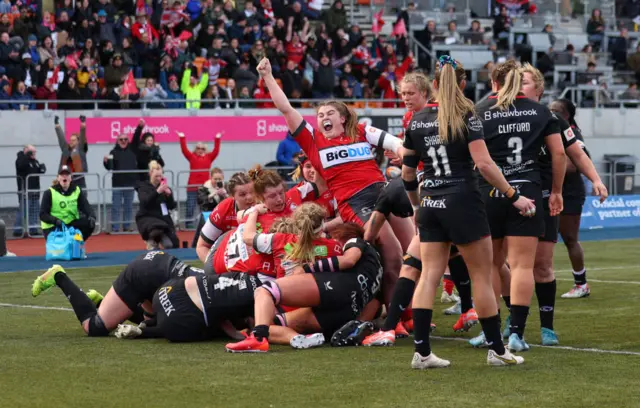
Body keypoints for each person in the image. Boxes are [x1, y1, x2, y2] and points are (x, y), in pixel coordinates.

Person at [394, 56, 533, 368]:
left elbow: (406, 174)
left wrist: (418, 206)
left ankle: (422, 352)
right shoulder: (466, 113)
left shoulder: (416, 120)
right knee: (482, 274)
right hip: (462, 201)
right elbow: (484, 164)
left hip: (430, 201)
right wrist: (514, 196)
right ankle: (497, 350)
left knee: (428, 275)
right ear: (459, 83)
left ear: (432, 83)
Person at [255, 57, 405, 308]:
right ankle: (395, 320)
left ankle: (409, 312)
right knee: (392, 255)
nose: (324, 117)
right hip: (355, 202)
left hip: (383, 191)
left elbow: (393, 143)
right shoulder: (313, 141)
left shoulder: (360, 131)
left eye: (330, 113)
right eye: (320, 115)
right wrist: (268, 77)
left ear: (343, 118)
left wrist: (404, 153)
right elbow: (287, 109)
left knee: (411, 251)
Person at [474, 60, 566, 353]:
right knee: (523, 265)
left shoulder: (480, 110)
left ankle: (492, 330)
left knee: (491, 264)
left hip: (489, 192)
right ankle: (516, 333)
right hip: (527, 191)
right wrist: (556, 192)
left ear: (496, 82)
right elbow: (559, 154)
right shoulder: (542, 111)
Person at [225, 222, 383, 353]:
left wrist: (307, 268)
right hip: (349, 310)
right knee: (270, 324)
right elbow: (375, 302)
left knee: (265, 291)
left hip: (339, 289)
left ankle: (257, 339)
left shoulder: (355, 241)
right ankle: (295, 338)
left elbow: (348, 260)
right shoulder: (377, 264)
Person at [30, 251, 205, 337]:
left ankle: (102, 303)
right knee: (94, 327)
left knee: (154, 320)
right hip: (145, 274)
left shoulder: (221, 285)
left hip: (160, 265)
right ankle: (58, 276)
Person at [116, 271, 261, 342]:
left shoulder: (246, 273)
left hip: (166, 290)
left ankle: (148, 321)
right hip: (178, 317)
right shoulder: (258, 298)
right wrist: (238, 336)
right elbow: (225, 323)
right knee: (210, 330)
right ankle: (146, 330)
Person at [209, 166, 294, 278]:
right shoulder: (253, 212)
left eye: (281, 193)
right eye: (272, 196)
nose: (279, 199)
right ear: (261, 197)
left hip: (229, 252)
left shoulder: (288, 200)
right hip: (221, 264)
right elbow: (247, 236)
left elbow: (240, 216)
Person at [196, 172, 256, 262]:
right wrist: (214, 267)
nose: (249, 197)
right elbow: (201, 246)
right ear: (232, 196)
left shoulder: (265, 203)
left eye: (252, 192)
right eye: (242, 194)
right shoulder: (223, 210)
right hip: (230, 264)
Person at [178, 131, 221, 229]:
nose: (200, 150)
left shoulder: (209, 157)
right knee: (190, 207)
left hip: (204, 188)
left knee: (204, 207)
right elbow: (184, 150)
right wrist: (182, 138)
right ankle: (188, 224)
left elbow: (216, 151)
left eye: (202, 148)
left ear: (205, 149)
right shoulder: (192, 157)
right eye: (198, 148)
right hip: (192, 187)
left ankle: (205, 224)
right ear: (195, 149)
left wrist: (217, 139)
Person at [40, 166, 96, 242]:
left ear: (71, 178)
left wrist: (92, 216)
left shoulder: (77, 190)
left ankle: (78, 243)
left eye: (67, 175)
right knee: (62, 247)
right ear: (58, 178)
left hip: (70, 224)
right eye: (62, 175)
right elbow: (42, 215)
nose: (64, 177)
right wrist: (55, 221)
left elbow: (86, 206)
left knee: (89, 224)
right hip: (53, 226)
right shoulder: (49, 193)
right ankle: (66, 244)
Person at [135, 161, 179, 249]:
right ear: (150, 174)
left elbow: (171, 206)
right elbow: (145, 203)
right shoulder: (143, 187)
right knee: (156, 231)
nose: (158, 178)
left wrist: (169, 195)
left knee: (173, 244)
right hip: (148, 218)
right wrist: (157, 192)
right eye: (156, 176)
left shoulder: (165, 188)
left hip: (163, 219)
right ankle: (152, 243)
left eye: (160, 176)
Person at [104, 133, 138, 233]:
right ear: (117, 141)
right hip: (117, 183)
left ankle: (127, 226)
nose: (123, 141)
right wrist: (105, 162)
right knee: (116, 207)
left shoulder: (133, 151)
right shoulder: (113, 152)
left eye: (125, 139)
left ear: (128, 141)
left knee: (128, 206)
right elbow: (109, 167)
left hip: (130, 183)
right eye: (121, 139)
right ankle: (115, 228)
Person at [14, 144, 46, 237]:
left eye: (35, 152)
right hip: (25, 190)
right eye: (32, 151)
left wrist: (41, 168)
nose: (34, 153)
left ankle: (33, 229)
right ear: (26, 151)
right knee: (23, 210)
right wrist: (26, 156)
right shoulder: (20, 159)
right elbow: (21, 166)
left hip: (35, 191)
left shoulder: (35, 161)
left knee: (34, 210)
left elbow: (36, 171)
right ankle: (17, 230)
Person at [192, 168, 228, 247]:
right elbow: (201, 202)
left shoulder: (226, 188)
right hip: (208, 215)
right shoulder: (204, 188)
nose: (217, 181)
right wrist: (212, 195)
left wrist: (225, 195)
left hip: (223, 217)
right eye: (215, 179)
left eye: (220, 179)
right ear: (211, 178)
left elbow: (233, 202)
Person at [54, 115, 88, 188]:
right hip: (66, 179)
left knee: (81, 198)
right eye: (70, 140)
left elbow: (83, 135)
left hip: (79, 180)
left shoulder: (81, 149)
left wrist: (83, 123)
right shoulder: (66, 149)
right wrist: (57, 125)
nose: (71, 142)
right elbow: (61, 138)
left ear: (78, 142)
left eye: (73, 140)